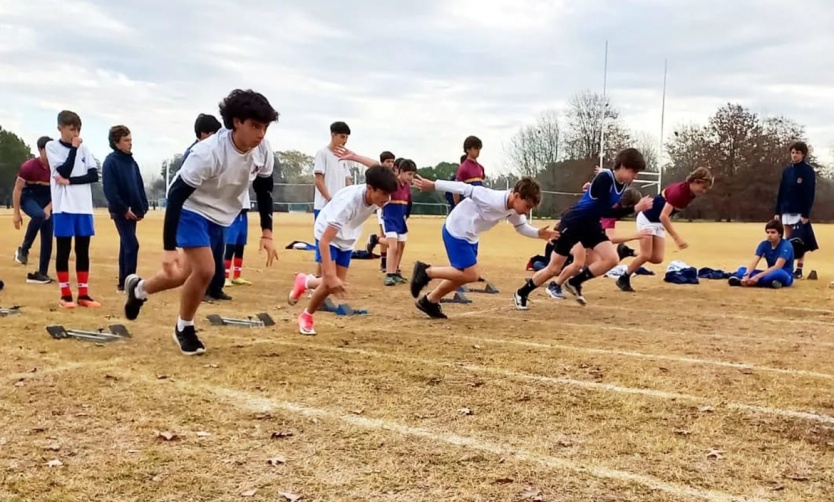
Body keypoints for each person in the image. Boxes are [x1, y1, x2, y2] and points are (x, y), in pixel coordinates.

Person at [122, 89, 279, 355]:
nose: (261, 134)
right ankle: (184, 327)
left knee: (182, 274)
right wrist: (168, 246)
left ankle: (139, 289)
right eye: (255, 126)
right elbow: (176, 196)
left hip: (221, 216)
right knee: (206, 270)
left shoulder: (262, 150)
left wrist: (267, 232)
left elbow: (264, 189)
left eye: (264, 127)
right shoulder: (208, 153)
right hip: (190, 209)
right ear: (236, 121)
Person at [511, 148, 652, 308]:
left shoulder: (623, 182)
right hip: (574, 222)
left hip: (591, 224)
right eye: (634, 171)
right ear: (623, 166)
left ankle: (574, 282)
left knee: (611, 259)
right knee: (554, 268)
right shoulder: (605, 178)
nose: (636, 176)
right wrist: (635, 208)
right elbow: (604, 211)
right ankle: (522, 293)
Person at [409, 176, 558, 319]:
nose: (527, 211)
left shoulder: (514, 209)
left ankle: (430, 301)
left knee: (461, 275)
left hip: (471, 236)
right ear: (517, 195)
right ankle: (426, 271)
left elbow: (521, 227)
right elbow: (464, 188)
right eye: (527, 206)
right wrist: (434, 185)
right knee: (472, 274)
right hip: (457, 230)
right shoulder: (491, 198)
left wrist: (539, 233)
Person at [288, 153, 397, 336]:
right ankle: (306, 316)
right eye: (384, 194)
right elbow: (324, 241)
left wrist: (354, 156)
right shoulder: (348, 204)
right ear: (370, 188)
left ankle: (304, 281)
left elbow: (379, 166)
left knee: (336, 282)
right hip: (326, 232)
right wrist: (329, 274)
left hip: (348, 236)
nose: (387, 199)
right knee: (330, 282)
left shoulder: (377, 191)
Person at [616, 167, 713, 293]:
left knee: (657, 258)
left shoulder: (690, 193)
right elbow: (664, 216)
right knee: (646, 255)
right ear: (696, 181)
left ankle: (627, 251)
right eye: (703, 187)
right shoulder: (679, 192)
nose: (704, 191)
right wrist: (676, 238)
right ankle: (624, 278)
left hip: (657, 222)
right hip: (647, 218)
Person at [45, 111, 101, 309]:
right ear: (60, 128)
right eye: (71, 129)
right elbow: (64, 170)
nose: (75, 133)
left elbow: (93, 175)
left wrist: (70, 182)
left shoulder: (85, 148)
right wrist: (74, 149)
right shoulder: (52, 147)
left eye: (78, 129)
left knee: (83, 249)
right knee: (63, 249)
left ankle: (84, 294)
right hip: (63, 206)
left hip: (83, 206)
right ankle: (65, 294)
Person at [182, 114, 230, 302]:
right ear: (204, 134)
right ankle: (200, 290)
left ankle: (216, 287)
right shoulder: (196, 153)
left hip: (215, 210)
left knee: (218, 251)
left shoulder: (217, 151)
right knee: (203, 256)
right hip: (198, 211)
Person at [102, 125, 149, 292]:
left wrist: (143, 206)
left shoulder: (131, 161)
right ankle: (130, 282)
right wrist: (123, 209)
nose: (130, 143)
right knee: (132, 245)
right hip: (120, 212)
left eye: (131, 140)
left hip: (134, 211)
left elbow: (138, 185)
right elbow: (109, 190)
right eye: (126, 140)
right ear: (116, 143)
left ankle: (123, 282)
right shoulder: (110, 162)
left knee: (126, 245)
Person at [12, 136, 54, 284]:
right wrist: (16, 213)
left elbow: (58, 193)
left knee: (48, 236)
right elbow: (17, 189)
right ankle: (23, 249)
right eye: (48, 150)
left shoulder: (56, 168)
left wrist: (49, 208)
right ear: (40, 150)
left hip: (47, 201)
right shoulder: (28, 167)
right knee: (38, 215)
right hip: (28, 198)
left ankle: (42, 273)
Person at [313, 122, 352, 276]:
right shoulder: (322, 154)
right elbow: (318, 180)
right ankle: (318, 282)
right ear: (333, 135)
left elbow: (347, 180)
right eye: (342, 136)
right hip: (324, 207)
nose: (345, 140)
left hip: (340, 209)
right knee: (324, 244)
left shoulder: (344, 158)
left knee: (336, 244)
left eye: (347, 137)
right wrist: (330, 199)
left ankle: (317, 281)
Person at [774, 141, 816, 279]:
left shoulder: (807, 171)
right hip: (786, 209)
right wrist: (777, 211)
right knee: (788, 240)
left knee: (799, 240)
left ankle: (799, 269)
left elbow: (809, 192)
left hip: (799, 211)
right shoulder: (787, 171)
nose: (794, 155)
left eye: (797, 153)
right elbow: (781, 191)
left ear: (803, 154)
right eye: (792, 152)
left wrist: (806, 213)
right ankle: (788, 267)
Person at [728, 219, 794, 288]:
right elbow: (754, 262)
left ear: (780, 234)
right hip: (768, 273)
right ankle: (769, 283)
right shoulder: (764, 244)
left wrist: (757, 276)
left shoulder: (786, 245)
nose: (769, 235)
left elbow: (777, 266)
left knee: (778, 274)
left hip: (783, 274)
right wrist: (746, 275)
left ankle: (747, 282)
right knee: (741, 270)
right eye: (768, 232)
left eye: (773, 232)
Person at [382, 159, 416, 285]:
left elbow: (408, 203)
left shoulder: (406, 187)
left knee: (401, 245)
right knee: (393, 246)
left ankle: (395, 271)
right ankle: (389, 274)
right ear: (400, 172)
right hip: (390, 219)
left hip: (400, 221)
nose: (411, 177)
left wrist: (406, 216)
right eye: (409, 174)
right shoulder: (392, 184)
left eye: (412, 174)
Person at [366, 152, 396, 271]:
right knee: (386, 235)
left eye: (392, 161)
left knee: (388, 236)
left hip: (393, 210)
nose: (390, 164)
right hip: (383, 209)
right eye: (388, 161)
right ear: (382, 162)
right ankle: (384, 261)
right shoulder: (379, 175)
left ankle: (384, 258)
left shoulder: (393, 176)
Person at [446, 136, 485, 209]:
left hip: (478, 206)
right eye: (475, 148)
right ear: (468, 149)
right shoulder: (463, 168)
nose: (478, 151)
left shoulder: (481, 168)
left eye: (479, 148)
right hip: (467, 206)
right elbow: (456, 189)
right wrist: (458, 206)